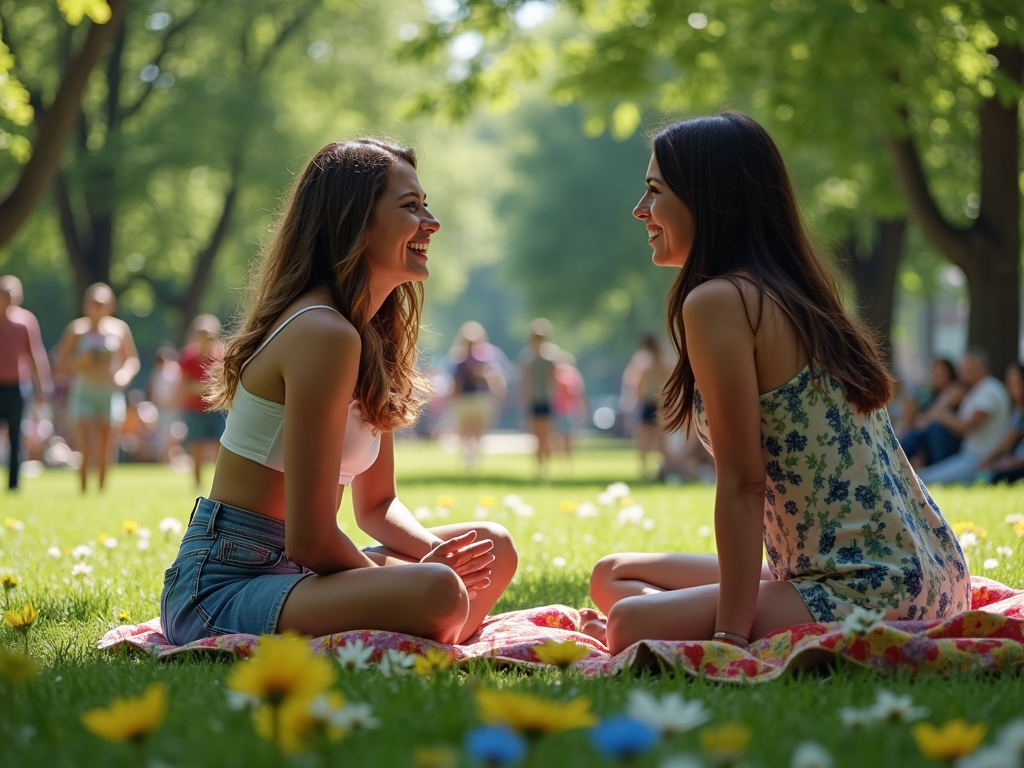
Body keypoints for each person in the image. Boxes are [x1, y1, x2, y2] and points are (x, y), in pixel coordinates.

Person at [579, 112, 969, 655]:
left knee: (626, 624)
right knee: (611, 576)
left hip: (870, 589)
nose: (640, 210)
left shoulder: (719, 302)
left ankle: (698, 616)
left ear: (706, 198)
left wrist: (728, 637)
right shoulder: (795, 293)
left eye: (654, 191)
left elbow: (744, 483)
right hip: (932, 570)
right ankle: (701, 611)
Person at [160, 139, 517, 646]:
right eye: (410, 207)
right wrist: (416, 578)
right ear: (354, 220)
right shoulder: (322, 333)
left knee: (491, 547)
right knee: (439, 591)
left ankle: (428, 622)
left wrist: (435, 554)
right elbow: (311, 538)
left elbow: (378, 505)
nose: (431, 222)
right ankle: (430, 621)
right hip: (227, 584)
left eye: (426, 204)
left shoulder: (371, 339)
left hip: (302, 573)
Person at [53, 283, 139, 492]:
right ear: (86, 304)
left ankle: (101, 492)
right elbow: (59, 363)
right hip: (84, 391)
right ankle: (83, 490)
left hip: (109, 393)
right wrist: (81, 361)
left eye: (102, 303)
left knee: (106, 449)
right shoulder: (76, 330)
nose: (97, 307)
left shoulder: (120, 329)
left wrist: (123, 375)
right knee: (87, 446)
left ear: (111, 305)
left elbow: (132, 360)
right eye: (94, 302)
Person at [917, 347, 1011, 485]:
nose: (962, 371)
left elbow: (965, 426)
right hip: (968, 455)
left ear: (981, 367)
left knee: (926, 478)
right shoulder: (976, 390)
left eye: (967, 367)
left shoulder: (990, 390)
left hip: (979, 458)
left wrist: (940, 414)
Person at [0, 276, 53, 490]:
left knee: (16, 436)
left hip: (17, 387)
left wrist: (43, 387)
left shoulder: (25, 321)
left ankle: (14, 483)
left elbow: (35, 355)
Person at [449, 322, 506, 470]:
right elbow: (455, 382)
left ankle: (475, 460)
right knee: (465, 432)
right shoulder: (458, 361)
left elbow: (493, 379)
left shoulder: (485, 361)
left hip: (480, 399)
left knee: (478, 432)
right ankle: (466, 460)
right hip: (464, 399)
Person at [178, 315, 227, 487]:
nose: (206, 339)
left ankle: (219, 485)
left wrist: (199, 388)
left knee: (220, 447)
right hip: (194, 409)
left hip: (216, 409)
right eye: (202, 334)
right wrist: (205, 388)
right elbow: (183, 386)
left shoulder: (221, 355)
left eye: (210, 335)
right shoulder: (188, 357)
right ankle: (197, 484)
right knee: (196, 447)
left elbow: (225, 382)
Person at [898, 358, 965, 468]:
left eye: (940, 373)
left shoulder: (956, 390)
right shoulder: (931, 394)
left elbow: (936, 412)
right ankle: (900, 463)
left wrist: (923, 421)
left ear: (950, 373)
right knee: (917, 433)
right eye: (934, 373)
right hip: (932, 442)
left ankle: (898, 462)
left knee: (930, 428)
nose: (937, 376)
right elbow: (912, 417)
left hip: (950, 442)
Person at [518, 318, 558, 477]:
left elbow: (553, 380)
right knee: (535, 436)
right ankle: (538, 468)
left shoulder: (551, 356)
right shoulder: (526, 357)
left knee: (546, 436)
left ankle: (545, 467)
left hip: (547, 400)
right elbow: (525, 381)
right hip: (533, 400)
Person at [630, 333, 672, 479]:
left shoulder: (644, 364)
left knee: (644, 439)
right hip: (661, 404)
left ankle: (645, 470)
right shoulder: (666, 363)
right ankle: (663, 469)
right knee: (661, 441)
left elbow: (639, 387)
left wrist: (635, 402)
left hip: (649, 404)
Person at [978, 361, 1024, 485]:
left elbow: (1009, 440)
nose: (1014, 387)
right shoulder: (1018, 410)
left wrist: (1016, 462)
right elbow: (1010, 439)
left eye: (1018, 382)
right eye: (1011, 382)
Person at [552, 350, 586, 459]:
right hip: (556, 409)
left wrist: (581, 409)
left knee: (567, 437)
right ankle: (560, 459)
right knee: (556, 437)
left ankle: (566, 461)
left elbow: (577, 393)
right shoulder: (554, 372)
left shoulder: (571, 373)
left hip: (568, 410)